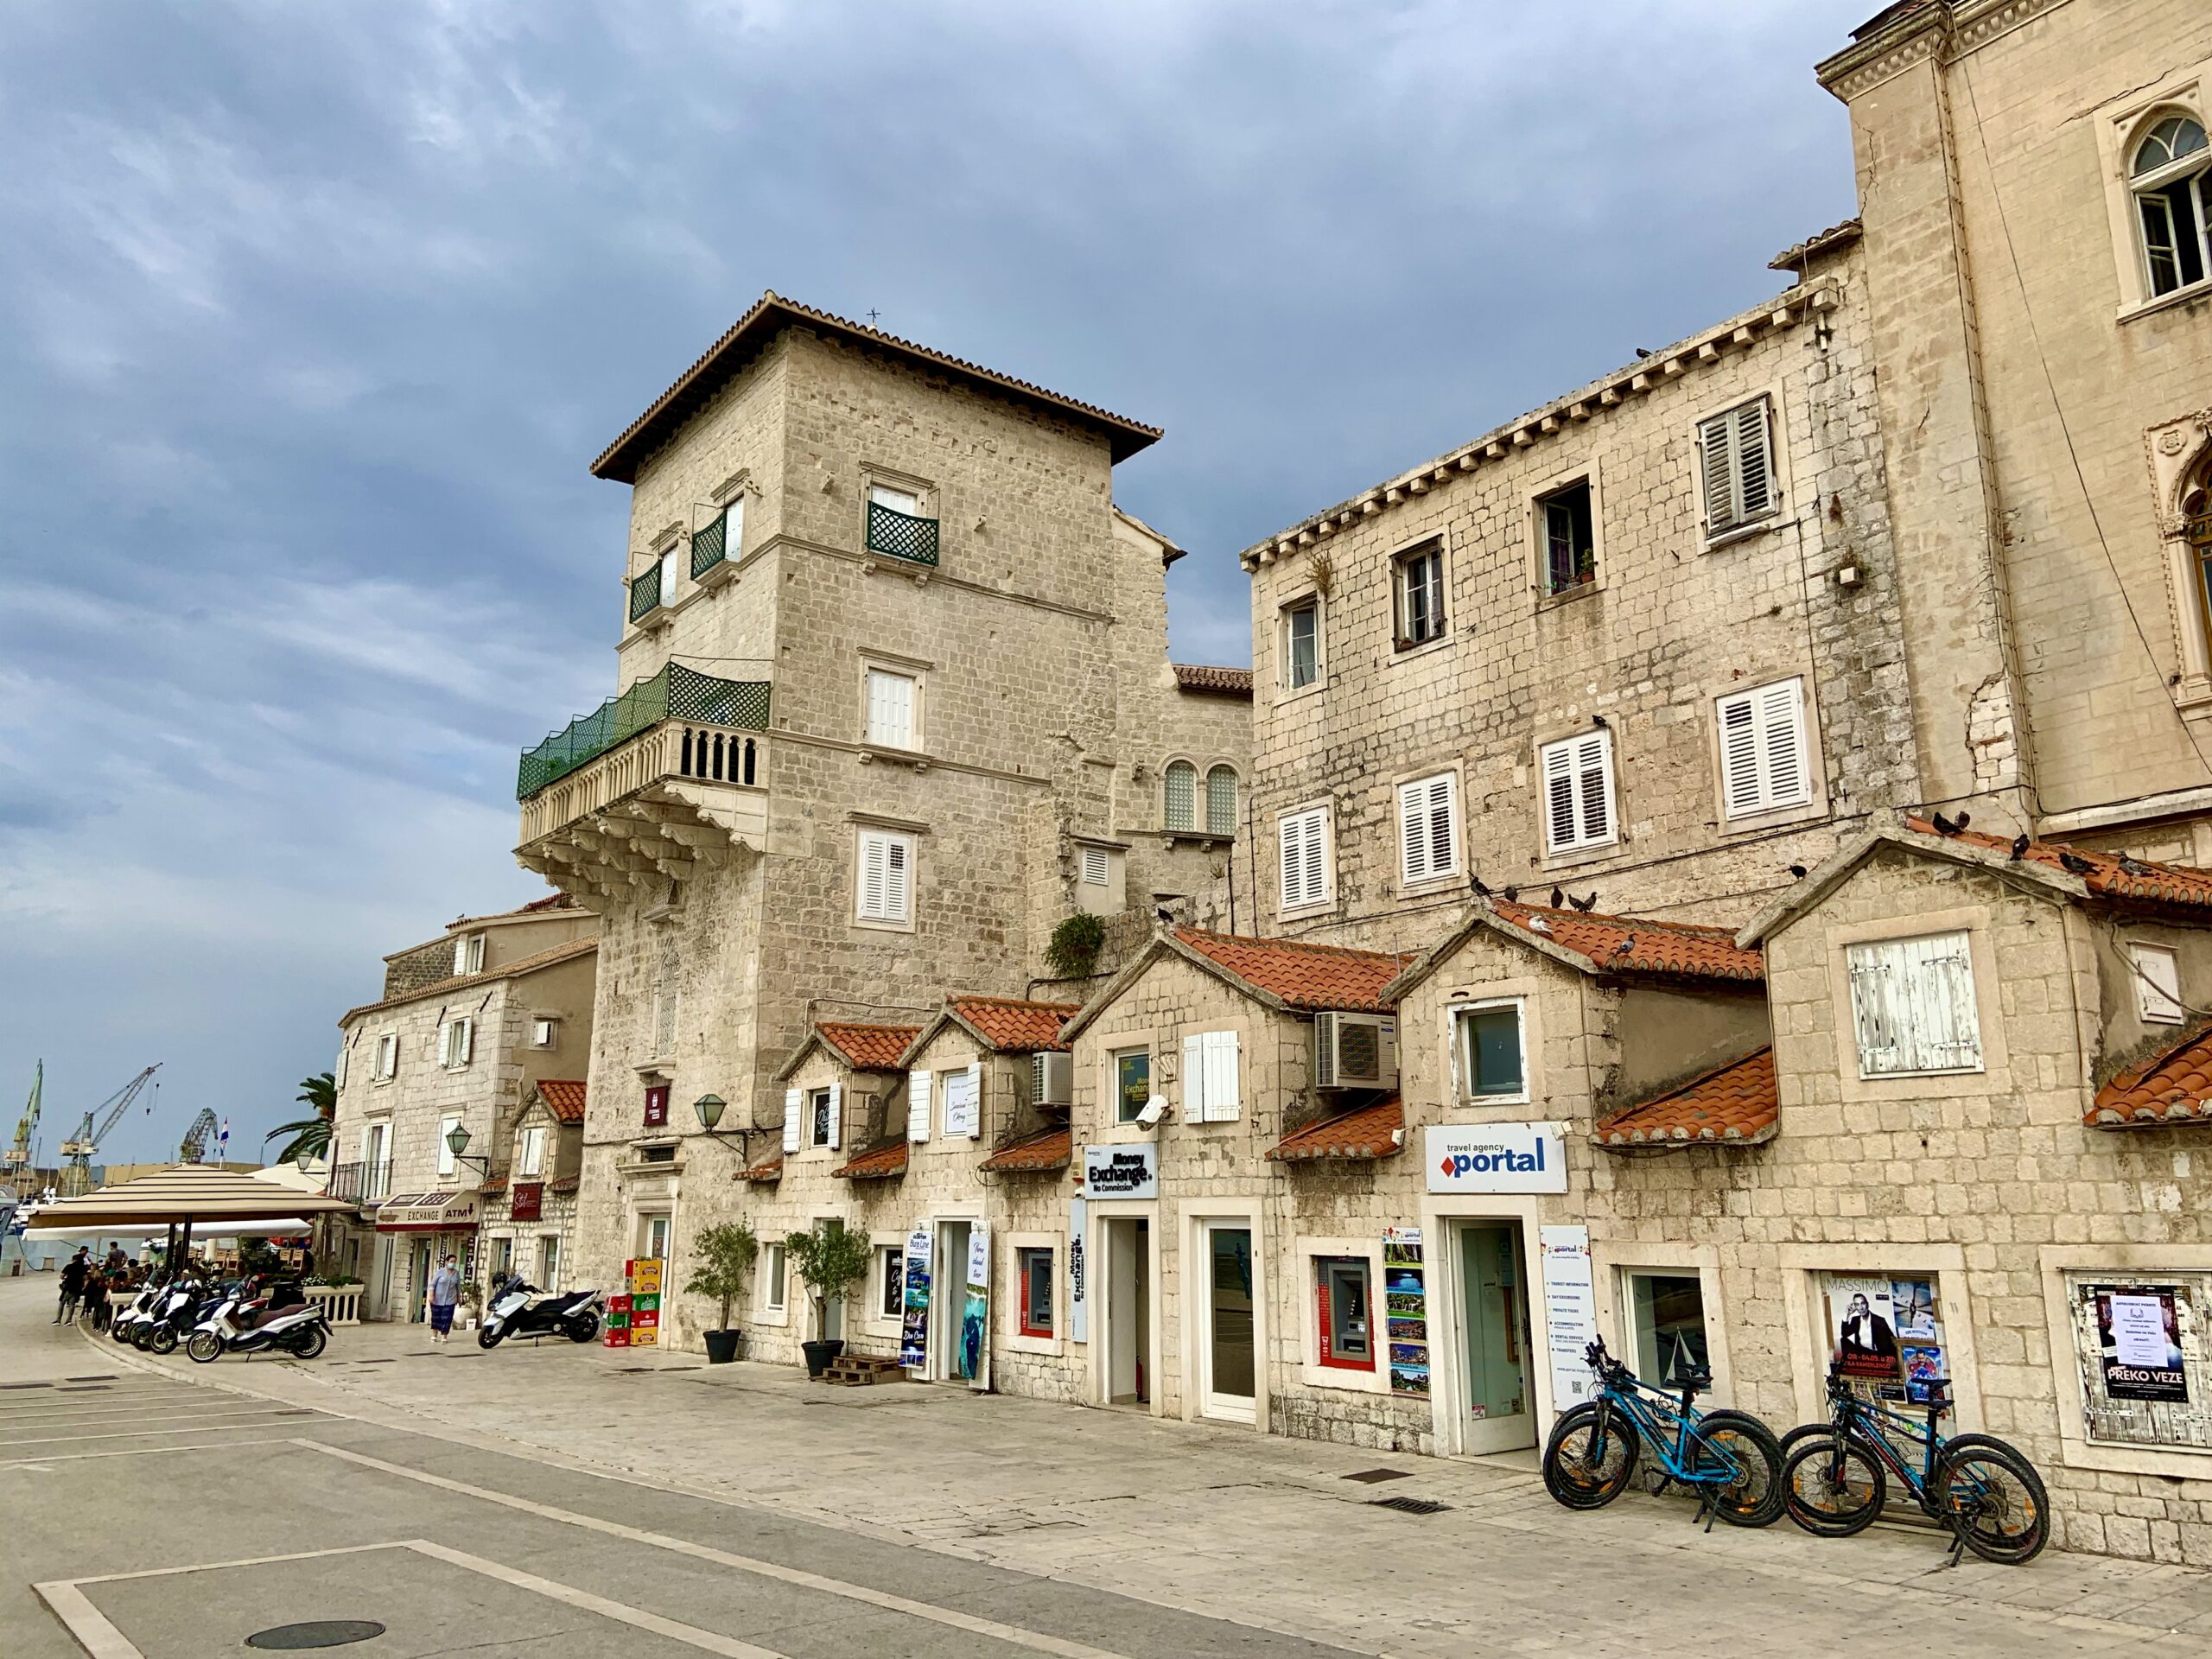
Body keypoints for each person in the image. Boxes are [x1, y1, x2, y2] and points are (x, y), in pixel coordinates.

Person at [1837, 1292, 1899, 1363]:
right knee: (1843, 1340)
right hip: (1862, 1354)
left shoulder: (1879, 1320)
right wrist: (1847, 1314)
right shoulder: (1855, 1320)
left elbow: (1891, 1340)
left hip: (1877, 1356)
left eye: (1863, 1303)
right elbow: (1844, 1334)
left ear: (1867, 1304)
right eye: (1857, 1305)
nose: (1861, 1307)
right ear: (1855, 1307)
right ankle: (1850, 1365)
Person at [428, 1255, 461, 1344]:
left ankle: (444, 1336)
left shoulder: (456, 1273)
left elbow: (458, 1287)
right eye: (451, 1261)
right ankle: (434, 1335)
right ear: (446, 1262)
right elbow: (432, 1285)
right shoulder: (440, 1272)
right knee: (436, 1318)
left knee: (447, 1319)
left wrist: (459, 1298)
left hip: (450, 1300)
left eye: (454, 1261)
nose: (453, 1263)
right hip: (437, 1300)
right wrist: (431, 1296)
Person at [55, 1248, 89, 1325]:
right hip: (77, 1287)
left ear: (74, 1260)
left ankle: (58, 1320)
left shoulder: (69, 1266)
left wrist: (65, 1277)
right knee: (72, 1304)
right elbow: (86, 1278)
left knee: (62, 1302)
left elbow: (61, 1276)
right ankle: (69, 1320)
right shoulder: (83, 1268)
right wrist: (83, 1286)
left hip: (68, 1286)